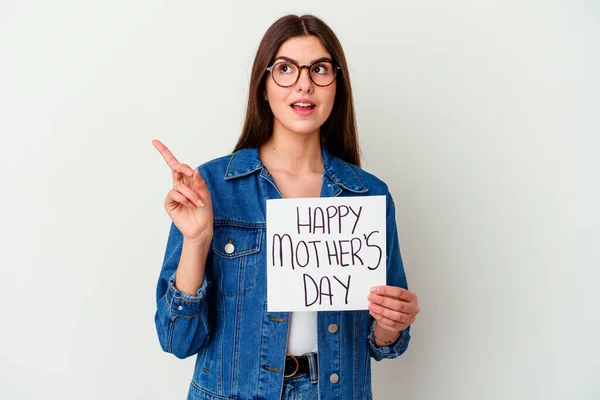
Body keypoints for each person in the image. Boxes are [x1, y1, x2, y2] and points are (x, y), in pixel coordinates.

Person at [152, 14, 420, 400]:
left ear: (336, 86)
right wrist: (196, 240)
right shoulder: (211, 188)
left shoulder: (369, 196)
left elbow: (384, 343)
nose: (304, 84)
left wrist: (391, 324)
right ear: (263, 87)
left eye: (320, 69)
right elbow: (177, 339)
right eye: (285, 69)